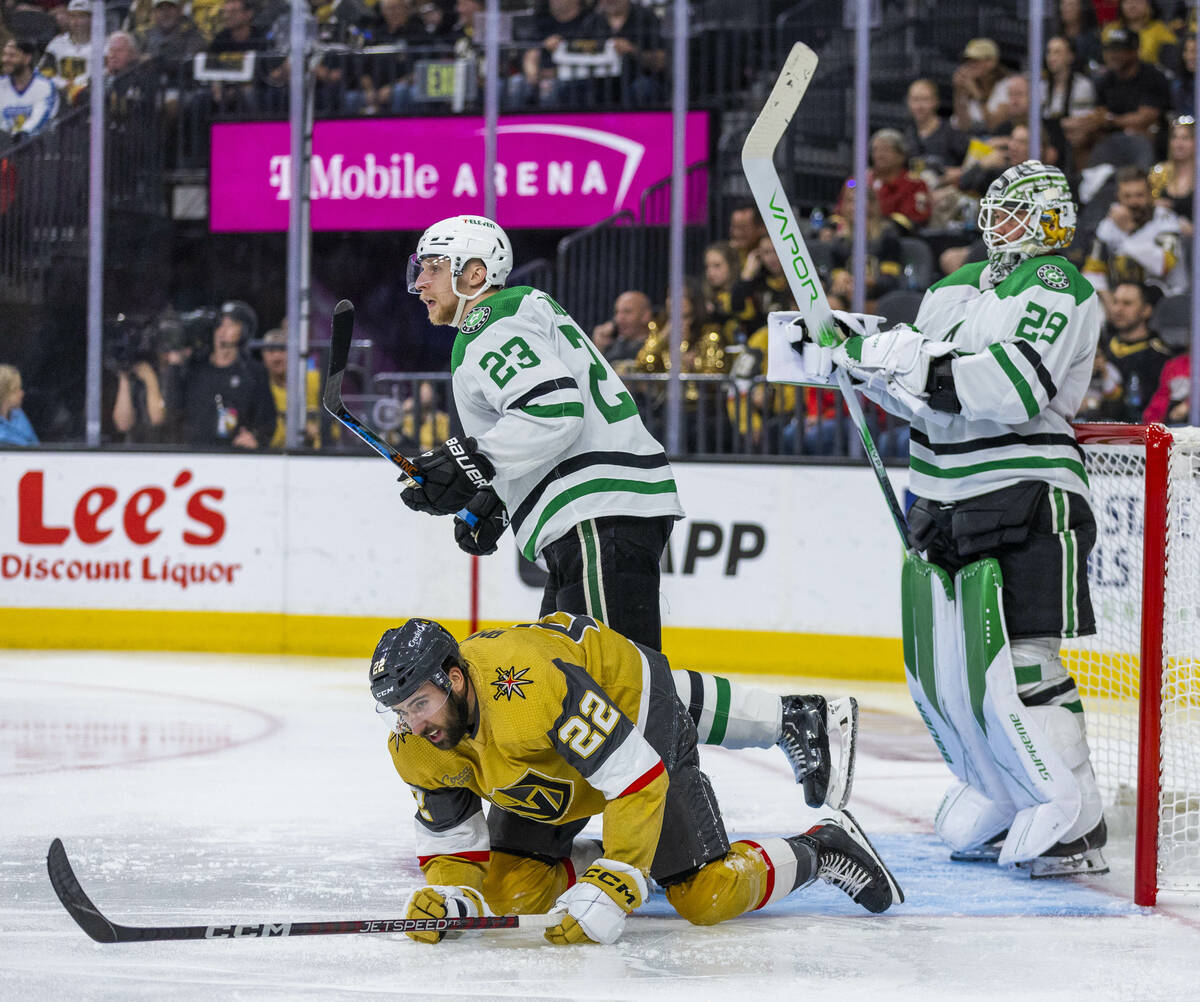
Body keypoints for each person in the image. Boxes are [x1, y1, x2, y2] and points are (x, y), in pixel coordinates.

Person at [399, 214, 857, 803]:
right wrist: (487, 496)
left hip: (593, 511)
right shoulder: (514, 316)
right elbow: (549, 420)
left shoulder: (491, 323)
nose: (421, 283)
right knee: (582, 682)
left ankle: (784, 725)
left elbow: (553, 410)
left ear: (476, 273)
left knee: (619, 686)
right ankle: (766, 737)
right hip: (591, 513)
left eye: (434, 268)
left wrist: (468, 461)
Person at [789, 160, 1109, 877]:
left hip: (1024, 490)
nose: (1001, 221)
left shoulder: (1056, 284)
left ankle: (1073, 812)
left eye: (1019, 211)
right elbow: (923, 397)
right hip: (940, 495)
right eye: (999, 208)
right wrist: (864, 368)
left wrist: (915, 361)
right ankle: (1005, 791)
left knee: (1020, 664)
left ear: (1053, 219)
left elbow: (1013, 385)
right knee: (949, 673)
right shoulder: (955, 288)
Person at [372, 613, 902, 946]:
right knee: (512, 897)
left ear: (456, 679)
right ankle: (634, 854)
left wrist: (616, 880)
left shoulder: (529, 695)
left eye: (421, 703)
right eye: (400, 711)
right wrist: (452, 898)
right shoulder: (415, 745)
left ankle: (824, 849)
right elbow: (456, 846)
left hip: (633, 710)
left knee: (706, 898)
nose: (415, 725)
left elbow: (634, 777)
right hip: (551, 762)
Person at [168, 299, 276, 448]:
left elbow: (267, 419)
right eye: (220, 324)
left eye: (231, 324)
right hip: (194, 453)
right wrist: (174, 366)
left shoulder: (254, 372)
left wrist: (256, 438)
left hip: (234, 455)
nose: (222, 330)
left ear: (244, 331)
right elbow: (173, 408)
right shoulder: (195, 368)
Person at [1083, 165, 1187, 312]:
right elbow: (1092, 271)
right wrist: (1109, 304)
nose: (1133, 202)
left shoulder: (1166, 220)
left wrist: (1128, 231)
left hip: (1165, 302)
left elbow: (1163, 265)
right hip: (1121, 303)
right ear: (1118, 197)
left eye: (1139, 195)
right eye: (1127, 196)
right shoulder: (1108, 225)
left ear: (1150, 196)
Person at [1102, 281, 1174, 420]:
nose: (1118, 309)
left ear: (1146, 310)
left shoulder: (1159, 356)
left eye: (1127, 303)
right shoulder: (1101, 345)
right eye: (1115, 302)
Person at [261, 328, 320, 448]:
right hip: (273, 456)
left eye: (283, 350)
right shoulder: (259, 388)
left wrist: (319, 431)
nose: (277, 357)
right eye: (271, 351)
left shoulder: (316, 380)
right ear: (263, 356)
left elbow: (338, 426)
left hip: (319, 457)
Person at [0, 38, 58, 143]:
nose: (5, 59)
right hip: (6, 147)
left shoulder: (45, 86)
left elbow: (39, 118)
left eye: (12, 56)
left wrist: (22, 133)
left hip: (37, 148)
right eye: (4, 55)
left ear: (27, 59)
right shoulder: (1, 85)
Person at [0, 364, 38, 446]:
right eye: (16, 389)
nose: (22, 393)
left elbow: (35, 446)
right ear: (4, 392)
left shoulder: (18, 415)